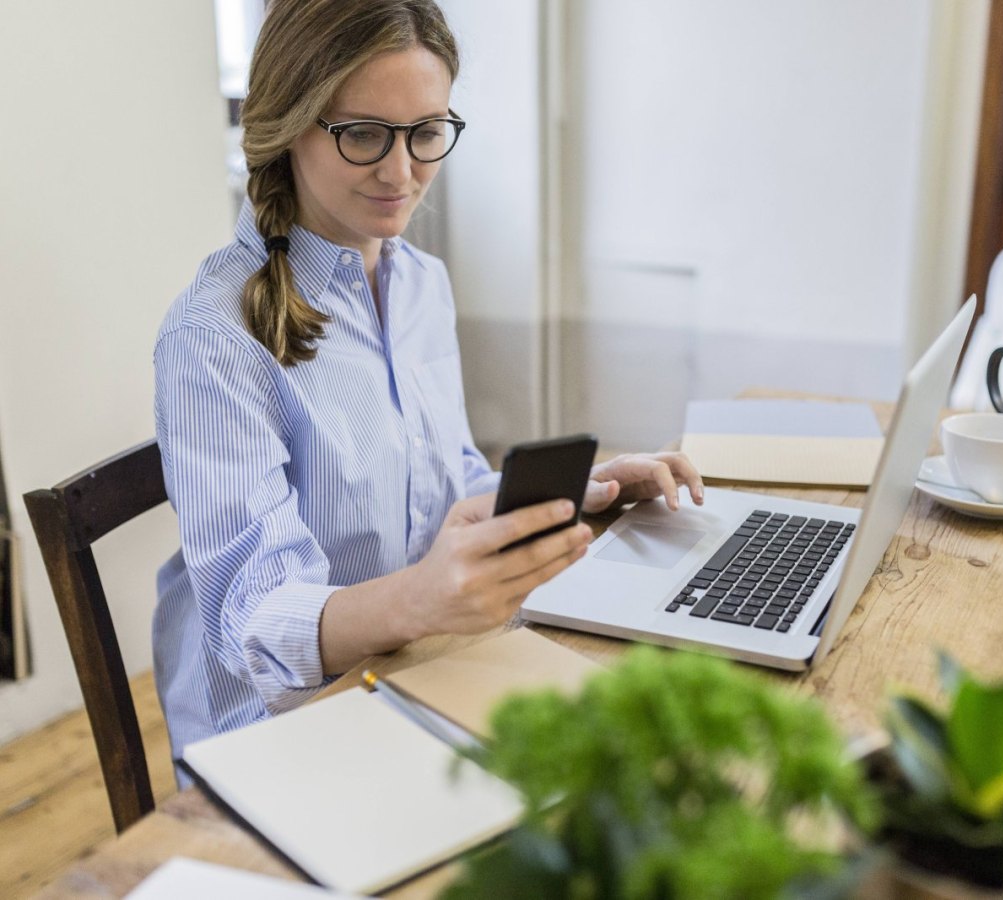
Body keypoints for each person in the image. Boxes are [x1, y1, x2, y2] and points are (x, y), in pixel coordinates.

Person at [152, 0, 703, 762]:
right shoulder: (212, 337)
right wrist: (422, 598)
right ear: (288, 124)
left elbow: (446, 491)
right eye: (365, 134)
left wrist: (579, 492)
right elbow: (256, 620)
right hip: (284, 739)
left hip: (421, 668)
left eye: (427, 132)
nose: (403, 171)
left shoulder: (420, 283)